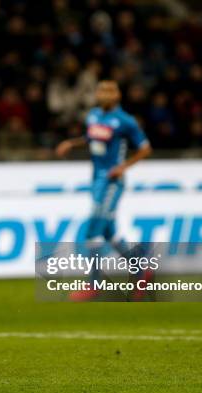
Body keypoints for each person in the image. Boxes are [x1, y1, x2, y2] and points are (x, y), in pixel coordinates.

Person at [55, 80, 152, 301]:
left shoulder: (125, 121)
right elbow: (91, 138)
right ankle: (142, 272)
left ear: (117, 95)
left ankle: (94, 284)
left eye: (110, 91)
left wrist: (123, 167)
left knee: (92, 231)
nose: (105, 95)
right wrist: (71, 143)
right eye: (101, 91)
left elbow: (146, 149)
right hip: (96, 180)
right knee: (109, 233)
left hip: (111, 182)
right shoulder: (94, 116)